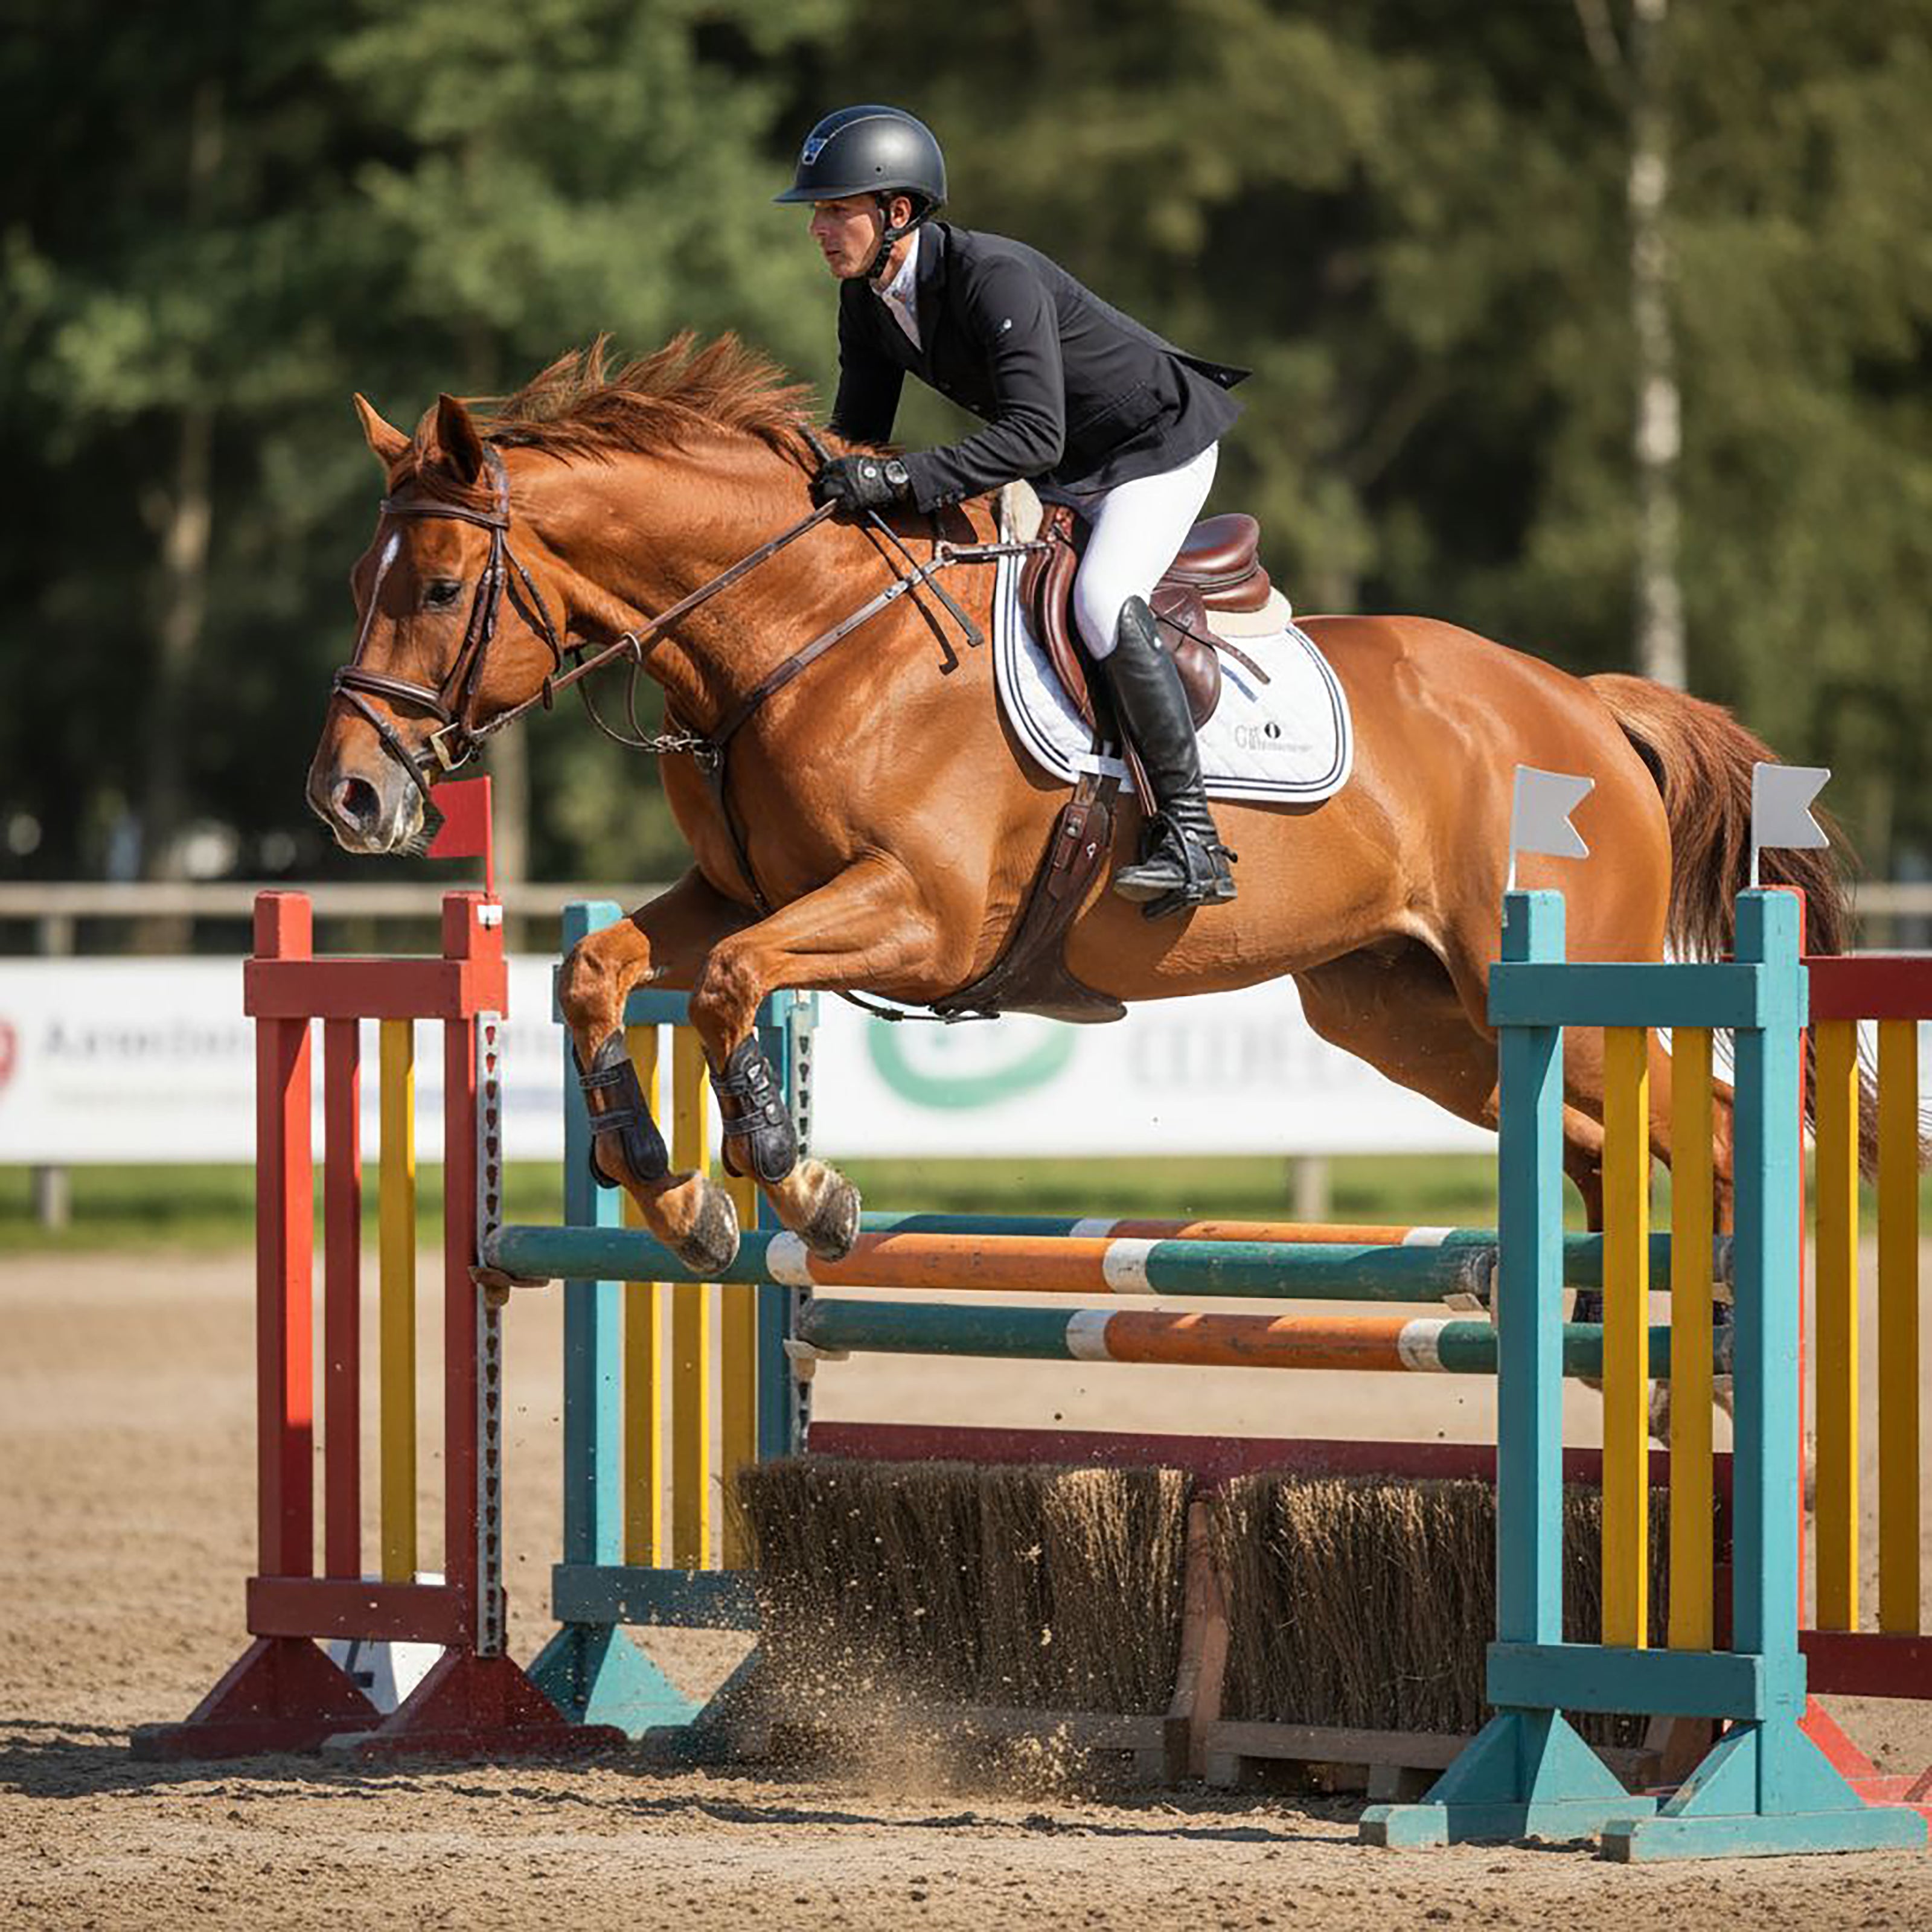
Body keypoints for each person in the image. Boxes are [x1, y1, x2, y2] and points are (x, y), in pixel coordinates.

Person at [776, 104, 1248, 913]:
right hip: (1073, 463)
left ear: (896, 213)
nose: (818, 227)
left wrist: (896, 484)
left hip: (1152, 448)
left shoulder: (995, 277)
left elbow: (1031, 437)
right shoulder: (869, 300)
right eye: (816, 210)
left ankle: (1195, 840)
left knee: (1103, 602)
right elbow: (858, 439)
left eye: (834, 208)